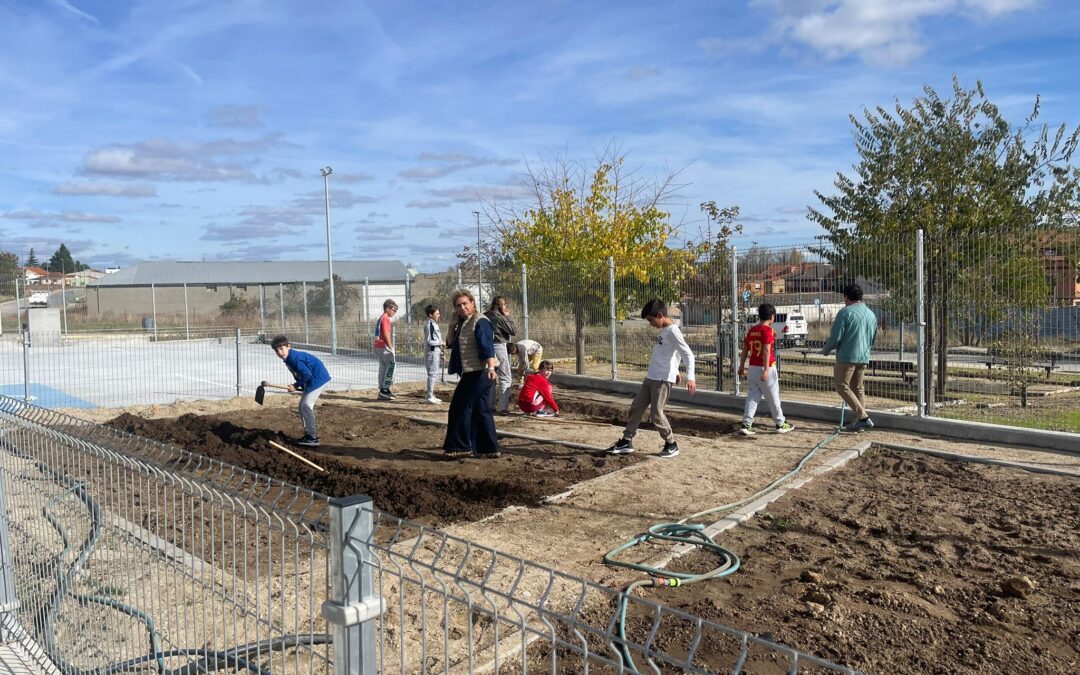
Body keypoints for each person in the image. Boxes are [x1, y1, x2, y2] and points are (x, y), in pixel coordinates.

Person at [606, 299, 695, 459]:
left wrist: (691, 377)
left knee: (656, 414)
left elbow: (687, 353)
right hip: (651, 377)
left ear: (660, 315)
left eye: (651, 320)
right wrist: (676, 369)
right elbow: (671, 353)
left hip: (662, 379)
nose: (651, 324)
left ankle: (671, 444)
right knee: (636, 407)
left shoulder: (673, 331)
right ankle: (627, 441)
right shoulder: (664, 330)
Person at [444, 289, 500, 458]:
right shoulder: (464, 322)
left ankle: (459, 447)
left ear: (472, 303)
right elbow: (449, 342)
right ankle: (489, 448)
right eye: (458, 305)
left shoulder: (480, 321)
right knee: (481, 409)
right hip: (473, 371)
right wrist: (452, 325)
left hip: (481, 372)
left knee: (459, 407)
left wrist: (491, 368)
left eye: (465, 304)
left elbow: (487, 345)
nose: (462, 307)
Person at [821, 284, 879, 432]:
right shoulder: (871, 314)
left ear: (846, 297)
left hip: (847, 356)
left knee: (842, 386)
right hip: (864, 355)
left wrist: (826, 349)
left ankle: (864, 417)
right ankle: (859, 421)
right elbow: (873, 337)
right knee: (858, 388)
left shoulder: (845, 312)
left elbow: (836, 337)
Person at [737, 303, 794, 435]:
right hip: (765, 367)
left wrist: (741, 366)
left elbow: (745, 349)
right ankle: (780, 423)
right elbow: (767, 350)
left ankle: (746, 424)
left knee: (752, 396)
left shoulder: (752, 330)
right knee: (773, 396)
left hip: (752, 367)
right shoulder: (768, 330)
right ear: (772, 317)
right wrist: (767, 370)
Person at [271, 335, 331, 448]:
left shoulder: (294, 358)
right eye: (277, 350)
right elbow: (300, 374)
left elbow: (306, 374)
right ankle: (308, 435)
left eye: (281, 348)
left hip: (318, 379)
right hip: (313, 380)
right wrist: (301, 385)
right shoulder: (289, 358)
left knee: (306, 406)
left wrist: (295, 385)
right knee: (302, 407)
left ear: (288, 346)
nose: (280, 352)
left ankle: (312, 438)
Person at [485, 296, 516, 413]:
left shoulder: (485, 315)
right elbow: (513, 330)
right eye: (505, 305)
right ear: (501, 305)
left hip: (487, 347)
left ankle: (489, 406)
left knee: (491, 376)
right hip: (499, 346)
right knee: (505, 377)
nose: (506, 307)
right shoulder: (499, 317)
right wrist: (507, 316)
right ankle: (503, 407)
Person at [372, 299, 398, 401]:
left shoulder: (381, 318)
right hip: (384, 345)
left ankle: (382, 389)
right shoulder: (386, 318)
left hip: (378, 345)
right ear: (387, 308)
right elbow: (386, 333)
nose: (394, 312)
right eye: (394, 310)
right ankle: (385, 390)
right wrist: (391, 347)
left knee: (383, 366)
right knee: (391, 366)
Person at [423, 304, 444, 404]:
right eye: (437, 313)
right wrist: (441, 343)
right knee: (432, 373)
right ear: (430, 314)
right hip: (432, 352)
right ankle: (430, 396)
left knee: (434, 373)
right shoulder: (430, 325)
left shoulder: (434, 324)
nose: (439, 315)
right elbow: (429, 341)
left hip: (435, 351)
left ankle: (430, 394)